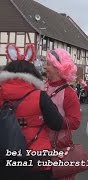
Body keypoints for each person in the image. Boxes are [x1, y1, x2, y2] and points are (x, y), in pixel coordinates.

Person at [0, 44, 63, 180]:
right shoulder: (40, 96)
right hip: (36, 156)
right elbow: (57, 124)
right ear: (33, 74)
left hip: (4, 155)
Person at [45, 48, 81, 180]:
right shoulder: (42, 87)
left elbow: (75, 122)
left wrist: (55, 121)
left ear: (58, 67)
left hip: (59, 147)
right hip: (39, 145)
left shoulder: (69, 93)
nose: (45, 67)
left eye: (48, 63)